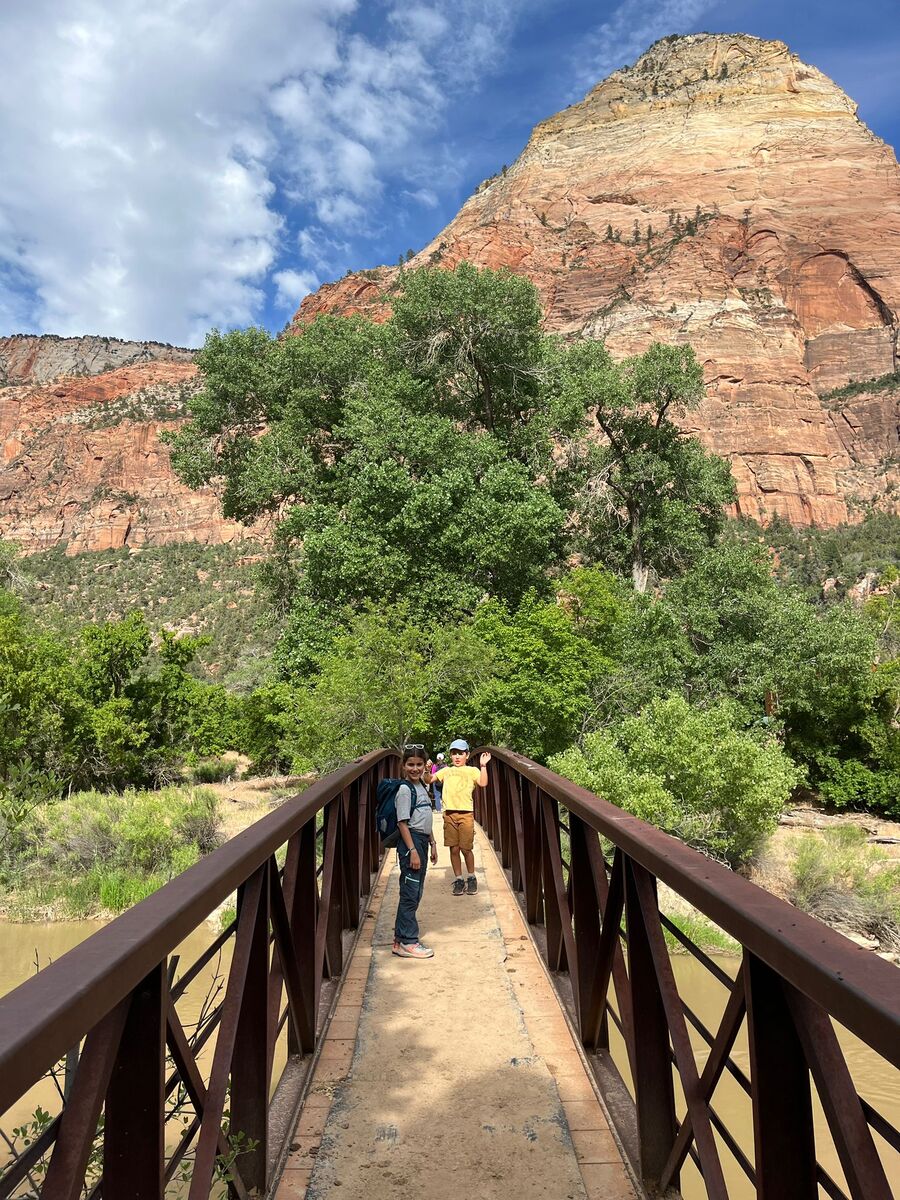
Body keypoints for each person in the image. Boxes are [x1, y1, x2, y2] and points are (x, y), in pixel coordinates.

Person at [393, 745, 439, 960]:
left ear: (424, 766)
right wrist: (412, 850)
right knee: (410, 893)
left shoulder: (421, 784)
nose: (415, 768)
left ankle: (399, 939)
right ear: (403, 766)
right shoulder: (404, 790)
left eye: (419, 764)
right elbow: (402, 823)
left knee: (415, 890)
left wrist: (433, 843)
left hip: (422, 841)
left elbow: (425, 816)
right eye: (410, 764)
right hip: (410, 843)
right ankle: (408, 942)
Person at [433, 739, 490, 896]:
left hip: (466, 814)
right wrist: (422, 768)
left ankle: (471, 877)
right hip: (449, 814)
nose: (457, 756)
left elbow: (483, 783)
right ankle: (459, 879)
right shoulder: (445, 771)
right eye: (454, 753)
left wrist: (483, 766)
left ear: (467, 755)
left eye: (461, 753)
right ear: (450, 756)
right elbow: (429, 779)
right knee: (454, 848)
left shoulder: (472, 770)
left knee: (466, 848)